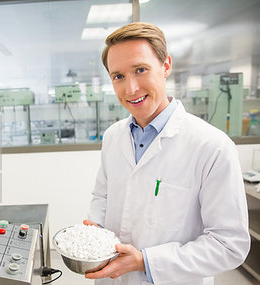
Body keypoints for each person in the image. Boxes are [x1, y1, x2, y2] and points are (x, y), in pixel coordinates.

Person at [84, 22, 250, 285]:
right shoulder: (114, 137)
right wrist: (97, 232)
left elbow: (229, 245)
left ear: (166, 65)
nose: (131, 88)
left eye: (140, 69)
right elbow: (102, 196)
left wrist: (144, 261)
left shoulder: (212, 146)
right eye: (118, 76)